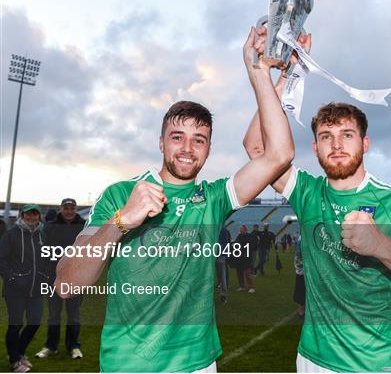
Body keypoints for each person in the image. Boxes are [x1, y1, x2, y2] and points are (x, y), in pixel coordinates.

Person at [54, 28, 294, 373]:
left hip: (199, 362)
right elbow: (67, 284)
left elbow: (279, 153)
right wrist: (122, 221)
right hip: (131, 365)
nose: (186, 149)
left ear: (209, 149)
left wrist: (262, 73)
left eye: (199, 140)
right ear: (162, 142)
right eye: (177, 137)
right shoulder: (122, 194)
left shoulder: (213, 198)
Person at [243, 28, 391, 373]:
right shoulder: (308, 191)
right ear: (315, 148)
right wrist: (285, 77)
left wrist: (380, 245)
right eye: (326, 137)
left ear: (365, 144)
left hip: (376, 364)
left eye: (346, 135)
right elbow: (256, 149)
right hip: (313, 359)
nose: (336, 145)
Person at [0, 204, 49, 373]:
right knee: (15, 324)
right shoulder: (11, 234)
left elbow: (48, 258)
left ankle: (18, 353)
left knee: (34, 322)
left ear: (39, 216)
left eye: (35, 213)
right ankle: (15, 362)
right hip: (15, 290)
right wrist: (13, 278)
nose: (31, 217)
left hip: (36, 289)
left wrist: (46, 277)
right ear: (22, 215)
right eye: (28, 213)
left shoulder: (43, 235)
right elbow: (2, 260)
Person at [37, 198, 86, 359]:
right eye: (66, 208)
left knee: (74, 315)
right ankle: (51, 346)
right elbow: (43, 250)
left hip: (76, 277)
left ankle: (73, 346)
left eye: (72, 208)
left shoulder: (84, 225)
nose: (69, 211)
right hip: (54, 277)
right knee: (53, 315)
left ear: (75, 209)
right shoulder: (50, 226)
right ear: (61, 209)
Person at [230, 225, 254, 293]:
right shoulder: (239, 236)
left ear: (245, 229)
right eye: (240, 229)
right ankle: (242, 286)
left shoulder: (249, 236)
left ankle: (251, 287)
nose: (240, 230)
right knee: (239, 273)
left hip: (246, 257)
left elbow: (249, 245)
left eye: (242, 229)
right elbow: (236, 243)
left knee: (247, 273)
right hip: (239, 257)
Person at [216, 226, 231, 304]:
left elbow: (225, 244)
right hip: (213, 255)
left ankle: (223, 295)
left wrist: (221, 255)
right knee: (221, 276)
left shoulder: (223, 230)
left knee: (222, 276)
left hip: (220, 256)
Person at [293, 235, 305, 318]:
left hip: (314, 270)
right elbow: (298, 256)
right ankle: (301, 310)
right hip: (303, 270)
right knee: (301, 291)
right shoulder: (302, 239)